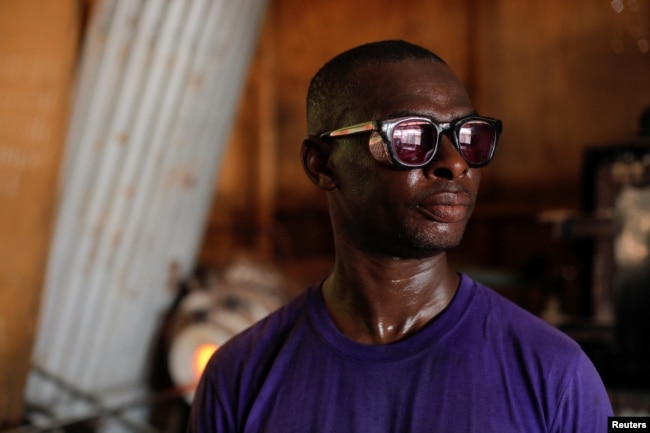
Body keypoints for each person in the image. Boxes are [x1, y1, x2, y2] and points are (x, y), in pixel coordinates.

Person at [188, 40, 613, 432]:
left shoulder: (555, 375)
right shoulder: (241, 377)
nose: (455, 163)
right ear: (322, 163)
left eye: (470, 137)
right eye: (411, 138)